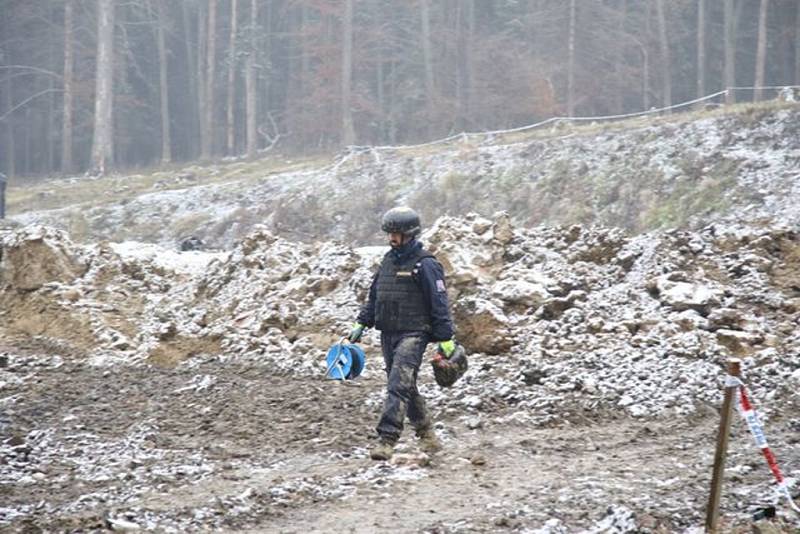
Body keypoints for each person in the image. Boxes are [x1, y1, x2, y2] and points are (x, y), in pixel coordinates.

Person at [349, 207, 457, 461]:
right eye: (389, 233)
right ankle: (427, 433)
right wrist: (362, 323)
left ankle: (387, 439)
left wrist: (445, 337)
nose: (391, 238)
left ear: (409, 234)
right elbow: (376, 296)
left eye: (396, 233)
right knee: (404, 385)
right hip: (388, 332)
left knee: (397, 384)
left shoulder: (426, 264)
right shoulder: (388, 260)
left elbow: (439, 302)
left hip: (414, 333)